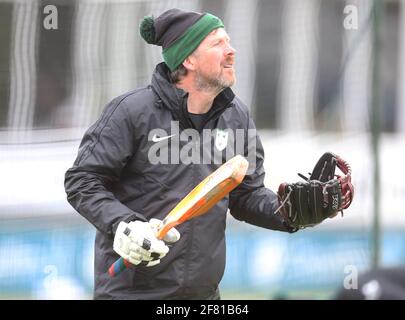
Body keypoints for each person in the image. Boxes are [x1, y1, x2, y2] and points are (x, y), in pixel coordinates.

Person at [64, 8, 348, 300]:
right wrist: (124, 223)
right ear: (188, 59)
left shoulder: (236, 116)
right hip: (129, 295)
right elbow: (82, 180)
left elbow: (245, 195)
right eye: (217, 43)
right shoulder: (131, 112)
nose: (231, 51)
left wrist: (289, 211)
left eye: (229, 41)